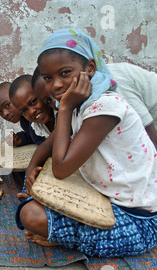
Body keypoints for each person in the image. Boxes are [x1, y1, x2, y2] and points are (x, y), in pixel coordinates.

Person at [17, 28, 157, 257]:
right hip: (102, 196)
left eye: (65, 73)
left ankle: (59, 237)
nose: (57, 85)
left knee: (31, 216)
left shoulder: (104, 107)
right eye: (48, 78)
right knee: (37, 181)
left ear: (90, 69)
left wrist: (64, 107)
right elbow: (45, 148)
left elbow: (61, 169)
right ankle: (54, 227)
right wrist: (32, 172)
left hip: (138, 219)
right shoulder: (81, 105)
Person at [0, 80, 45, 147]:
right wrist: (20, 139)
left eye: (7, 105)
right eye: (0, 111)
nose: (5, 114)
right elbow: (35, 136)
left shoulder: (38, 114)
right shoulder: (24, 121)